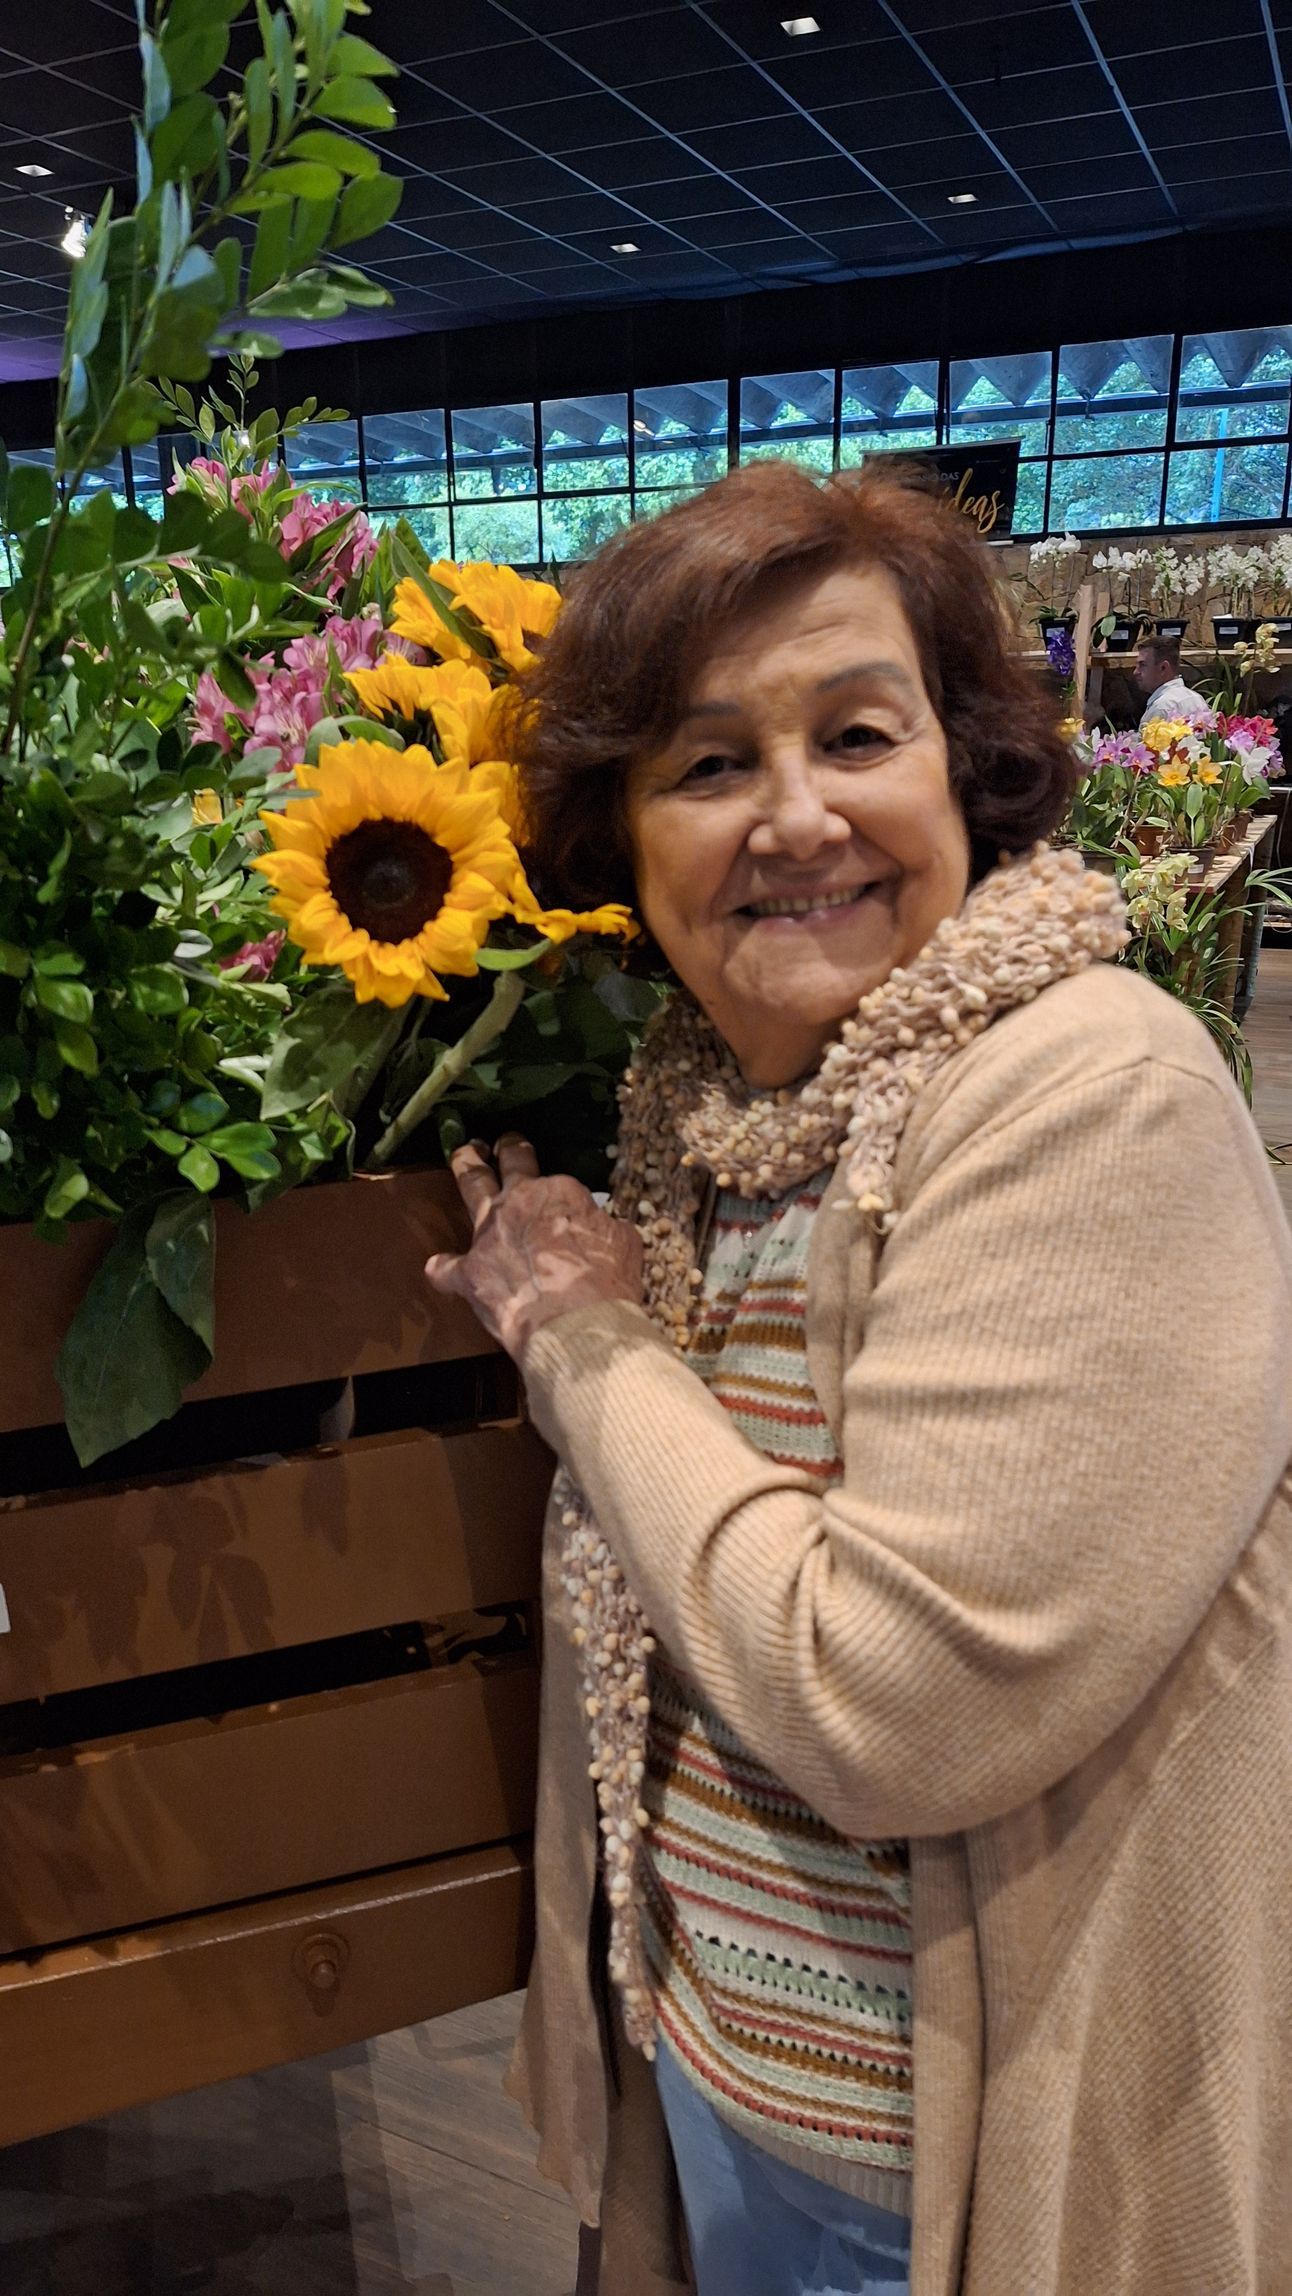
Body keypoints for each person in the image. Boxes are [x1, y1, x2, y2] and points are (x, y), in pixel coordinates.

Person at [425, 462, 1292, 2296]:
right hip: (728, 2087)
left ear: (963, 767)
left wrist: (587, 1350)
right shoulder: (709, 1115)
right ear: (622, 839)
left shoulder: (1090, 1094)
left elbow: (891, 1702)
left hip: (963, 2179)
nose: (797, 815)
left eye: (857, 735)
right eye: (709, 763)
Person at [1131, 632, 1211, 726]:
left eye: (1143, 665)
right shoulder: (1197, 699)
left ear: (1163, 668)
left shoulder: (1161, 708)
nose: (1136, 672)